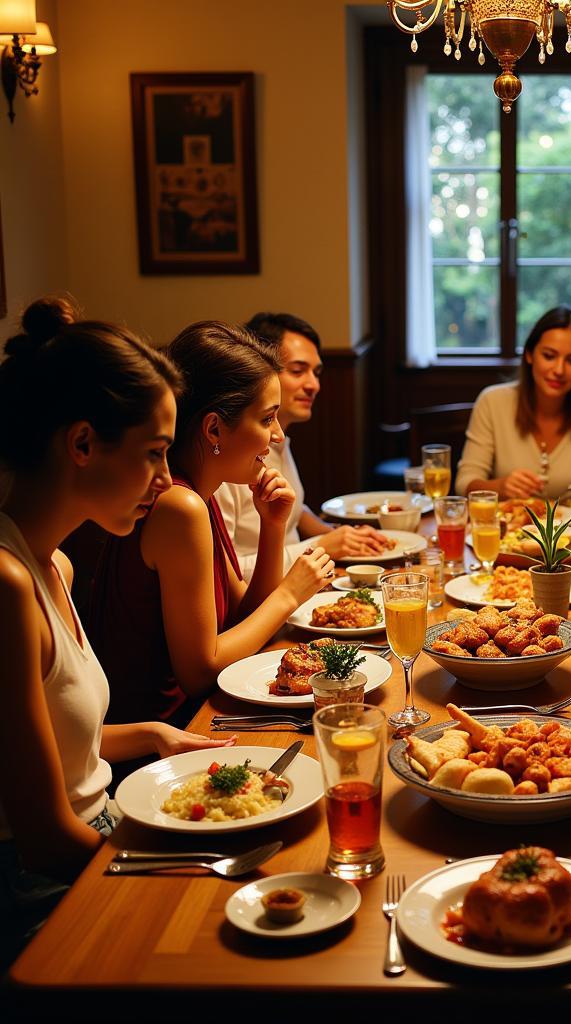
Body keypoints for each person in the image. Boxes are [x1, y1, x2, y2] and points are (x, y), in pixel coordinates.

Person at [0, 298, 235, 960]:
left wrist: (150, 735)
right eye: (155, 454)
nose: (165, 481)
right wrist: (182, 867)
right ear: (81, 444)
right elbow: (43, 835)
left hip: (98, 833)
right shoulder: (7, 583)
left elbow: (48, 747)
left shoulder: (56, 564)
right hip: (40, 894)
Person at [89, 321, 334, 726]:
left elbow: (243, 617)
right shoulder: (180, 505)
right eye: (267, 419)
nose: (276, 436)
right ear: (214, 428)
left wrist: (273, 527)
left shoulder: (202, 493)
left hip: (205, 716)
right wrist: (290, 594)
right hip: (173, 732)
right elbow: (201, 673)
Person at [216, 312, 389, 580]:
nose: (314, 385)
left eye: (316, 372)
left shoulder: (279, 438)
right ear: (261, 371)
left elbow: (296, 508)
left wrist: (337, 536)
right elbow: (223, 575)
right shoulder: (231, 458)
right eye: (298, 371)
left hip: (298, 587)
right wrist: (320, 547)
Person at [455, 307, 571, 501]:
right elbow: (464, 483)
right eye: (549, 356)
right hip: (510, 527)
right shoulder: (492, 402)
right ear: (529, 354)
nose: (559, 370)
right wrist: (501, 487)